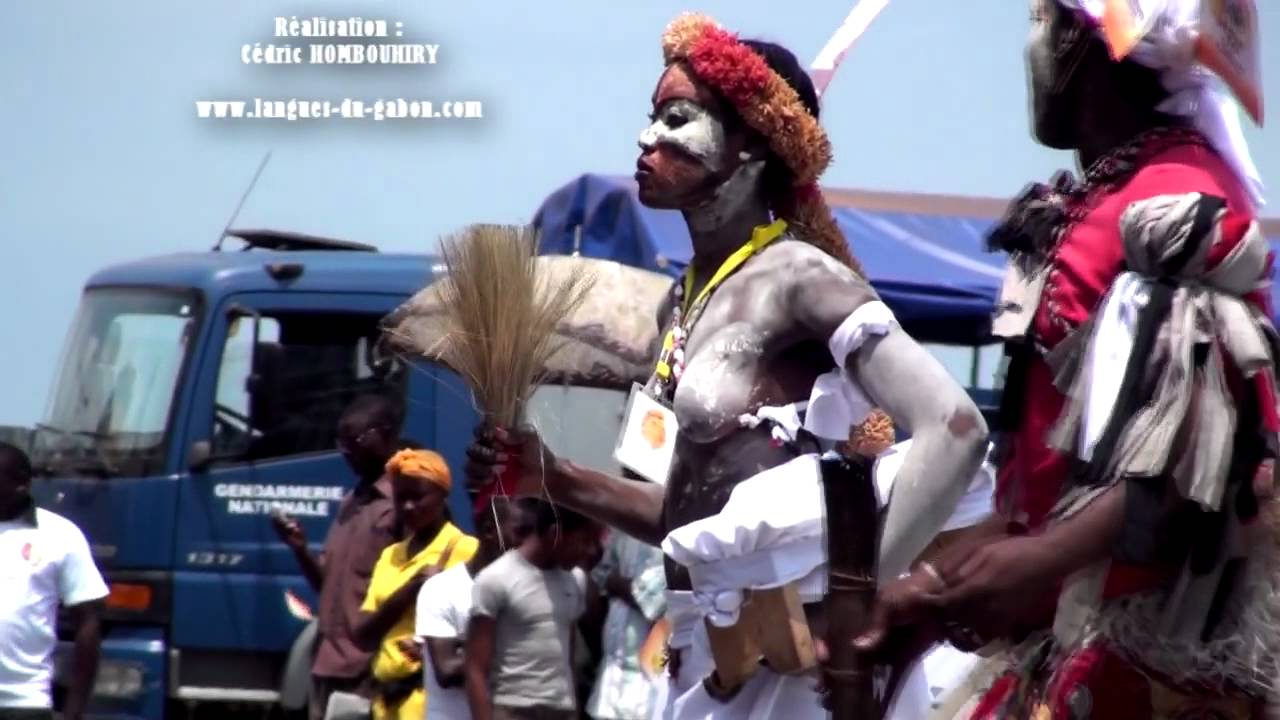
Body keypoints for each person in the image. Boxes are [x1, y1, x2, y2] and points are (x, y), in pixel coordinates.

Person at [466, 11, 988, 719]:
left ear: (753, 144)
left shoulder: (801, 278)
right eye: (651, 117)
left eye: (678, 119)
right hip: (707, 653)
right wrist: (554, 477)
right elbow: (687, 517)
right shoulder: (680, 304)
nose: (647, 139)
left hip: (798, 664)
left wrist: (849, 600)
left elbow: (957, 429)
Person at [854, 2, 1276, 717]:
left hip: (1150, 664)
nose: (1030, 45)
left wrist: (1040, 560)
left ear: (1084, 40)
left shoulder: (1180, 197)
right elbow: (1050, 489)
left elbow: (1202, 464)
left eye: (1040, 17)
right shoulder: (1107, 195)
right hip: (1067, 646)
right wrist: (935, 591)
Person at [270, 393, 405, 720]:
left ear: (386, 434)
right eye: (341, 442)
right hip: (328, 664)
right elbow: (327, 586)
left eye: (355, 440)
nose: (345, 450)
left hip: (369, 671)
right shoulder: (350, 503)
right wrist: (299, 549)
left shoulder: (405, 504)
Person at [356, 449, 476, 720]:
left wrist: (434, 645)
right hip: (386, 704)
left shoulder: (465, 550)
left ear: (442, 495)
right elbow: (364, 633)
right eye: (401, 498)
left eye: (418, 497)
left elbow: (486, 625)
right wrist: (413, 587)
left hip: (429, 704)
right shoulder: (391, 555)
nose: (409, 506)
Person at [0, 442, 107, 720]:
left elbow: (87, 624)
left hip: (23, 703)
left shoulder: (60, 535)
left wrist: (74, 711)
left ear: (21, 484)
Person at [465, 498, 597, 720]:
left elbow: (568, 659)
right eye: (583, 541)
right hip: (512, 710)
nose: (589, 551)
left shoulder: (574, 581)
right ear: (554, 533)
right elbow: (475, 668)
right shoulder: (496, 579)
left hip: (560, 712)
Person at [416, 497, 523, 720]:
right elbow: (446, 670)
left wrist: (466, 644)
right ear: (489, 530)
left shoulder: (527, 590)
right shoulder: (442, 589)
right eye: (520, 532)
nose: (528, 543)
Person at [585, 529, 666, 720]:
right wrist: (623, 585)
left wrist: (616, 584)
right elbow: (600, 573)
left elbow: (657, 600)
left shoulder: (677, 534)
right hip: (609, 686)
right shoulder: (622, 530)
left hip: (649, 690)